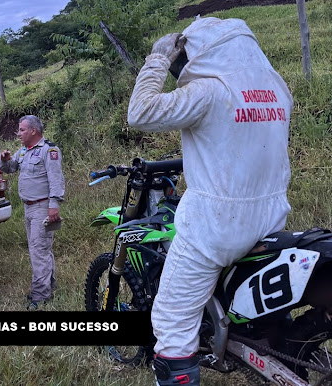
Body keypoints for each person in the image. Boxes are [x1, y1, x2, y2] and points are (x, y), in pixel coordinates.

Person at [127, 17, 292, 385]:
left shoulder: (211, 92)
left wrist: (157, 61)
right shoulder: (277, 89)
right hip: (271, 216)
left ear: (205, 52)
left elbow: (140, 113)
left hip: (217, 223)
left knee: (171, 319)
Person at [0, 115, 65, 310]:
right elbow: (10, 168)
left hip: (42, 207)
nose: (18, 134)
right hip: (28, 207)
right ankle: (49, 285)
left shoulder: (49, 151)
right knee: (42, 249)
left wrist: (54, 205)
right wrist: (4, 160)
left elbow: (56, 179)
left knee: (38, 251)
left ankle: (40, 296)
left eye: (22, 130)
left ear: (33, 131)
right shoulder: (24, 151)